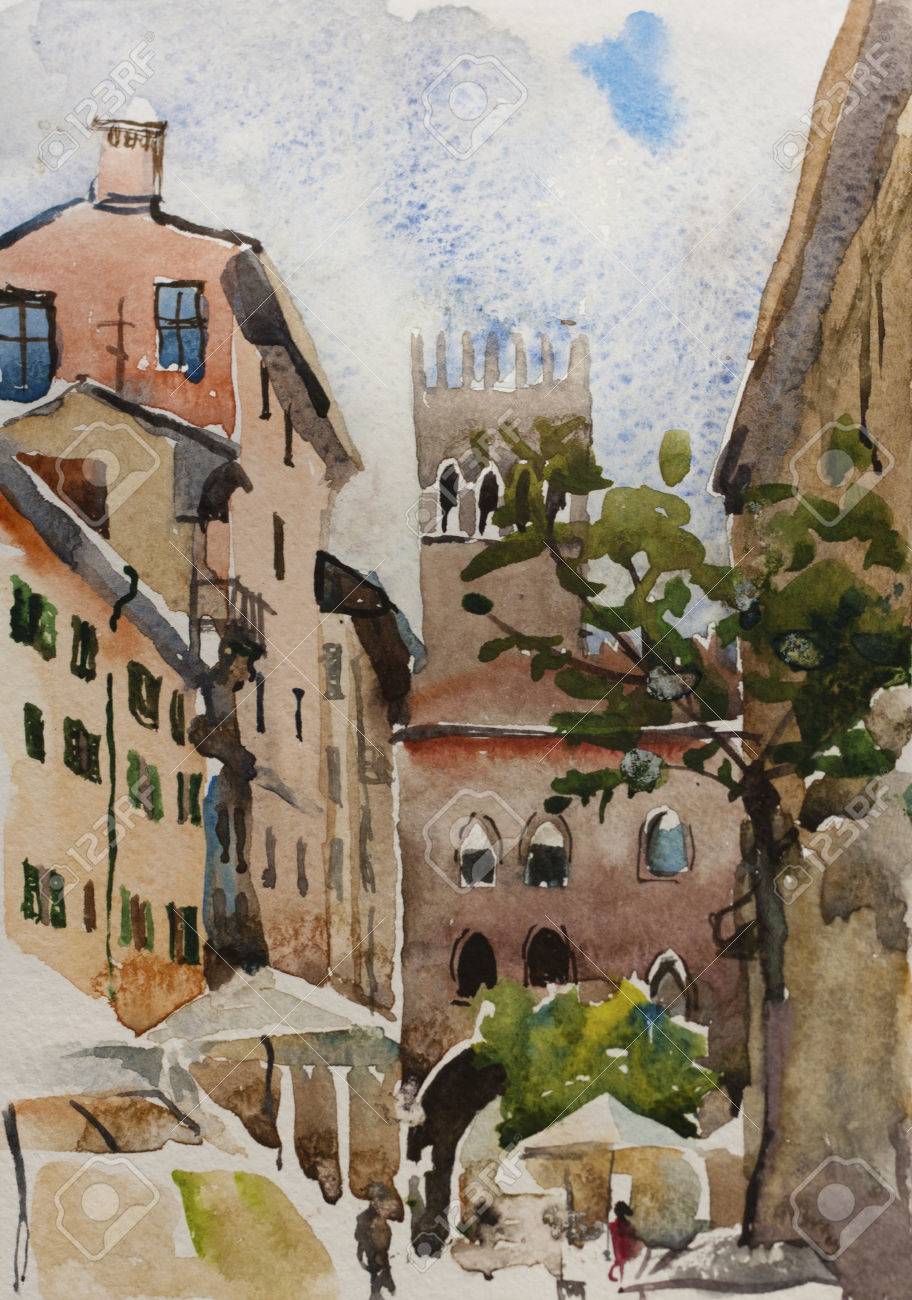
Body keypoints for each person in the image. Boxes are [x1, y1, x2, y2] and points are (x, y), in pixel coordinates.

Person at [355, 1183, 397, 1298]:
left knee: (380, 1271)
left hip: (379, 1256)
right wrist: (361, 1256)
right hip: (375, 1256)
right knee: (378, 1272)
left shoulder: (379, 1215)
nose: (378, 1203)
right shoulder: (365, 1219)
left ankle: (382, 1289)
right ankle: (379, 1290)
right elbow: (359, 1237)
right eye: (376, 1200)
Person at [607, 1200, 641, 1283]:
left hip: (622, 1250)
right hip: (623, 1250)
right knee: (622, 1261)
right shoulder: (620, 1226)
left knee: (622, 1261)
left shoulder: (615, 1226)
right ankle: (621, 1279)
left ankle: (621, 1279)